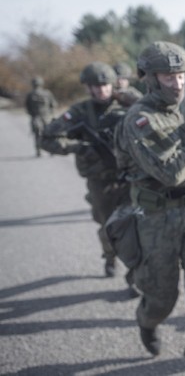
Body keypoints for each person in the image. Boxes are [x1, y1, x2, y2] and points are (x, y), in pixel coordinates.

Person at [114, 41, 185, 375]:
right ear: (149, 78)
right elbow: (171, 171)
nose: (177, 83)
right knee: (161, 298)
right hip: (156, 217)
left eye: (181, 75)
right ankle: (146, 321)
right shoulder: (140, 120)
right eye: (168, 76)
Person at [40, 62, 137, 291]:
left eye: (105, 85)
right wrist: (78, 147)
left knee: (135, 227)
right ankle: (110, 256)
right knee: (108, 226)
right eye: (95, 86)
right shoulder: (80, 111)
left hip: (130, 177)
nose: (101, 90)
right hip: (100, 181)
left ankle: (135, 277)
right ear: (87, 88)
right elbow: (46, 138)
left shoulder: (127, 103)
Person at [25, 76, 57, 157]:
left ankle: (39, 151)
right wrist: (51, 113)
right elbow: (53, 104)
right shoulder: (47, 93)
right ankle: (51, 150)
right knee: (48, 133)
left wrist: (32, 115)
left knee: (38, 134)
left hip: (37, 117)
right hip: (45, 116)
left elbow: (27, 107)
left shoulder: (30, 94)